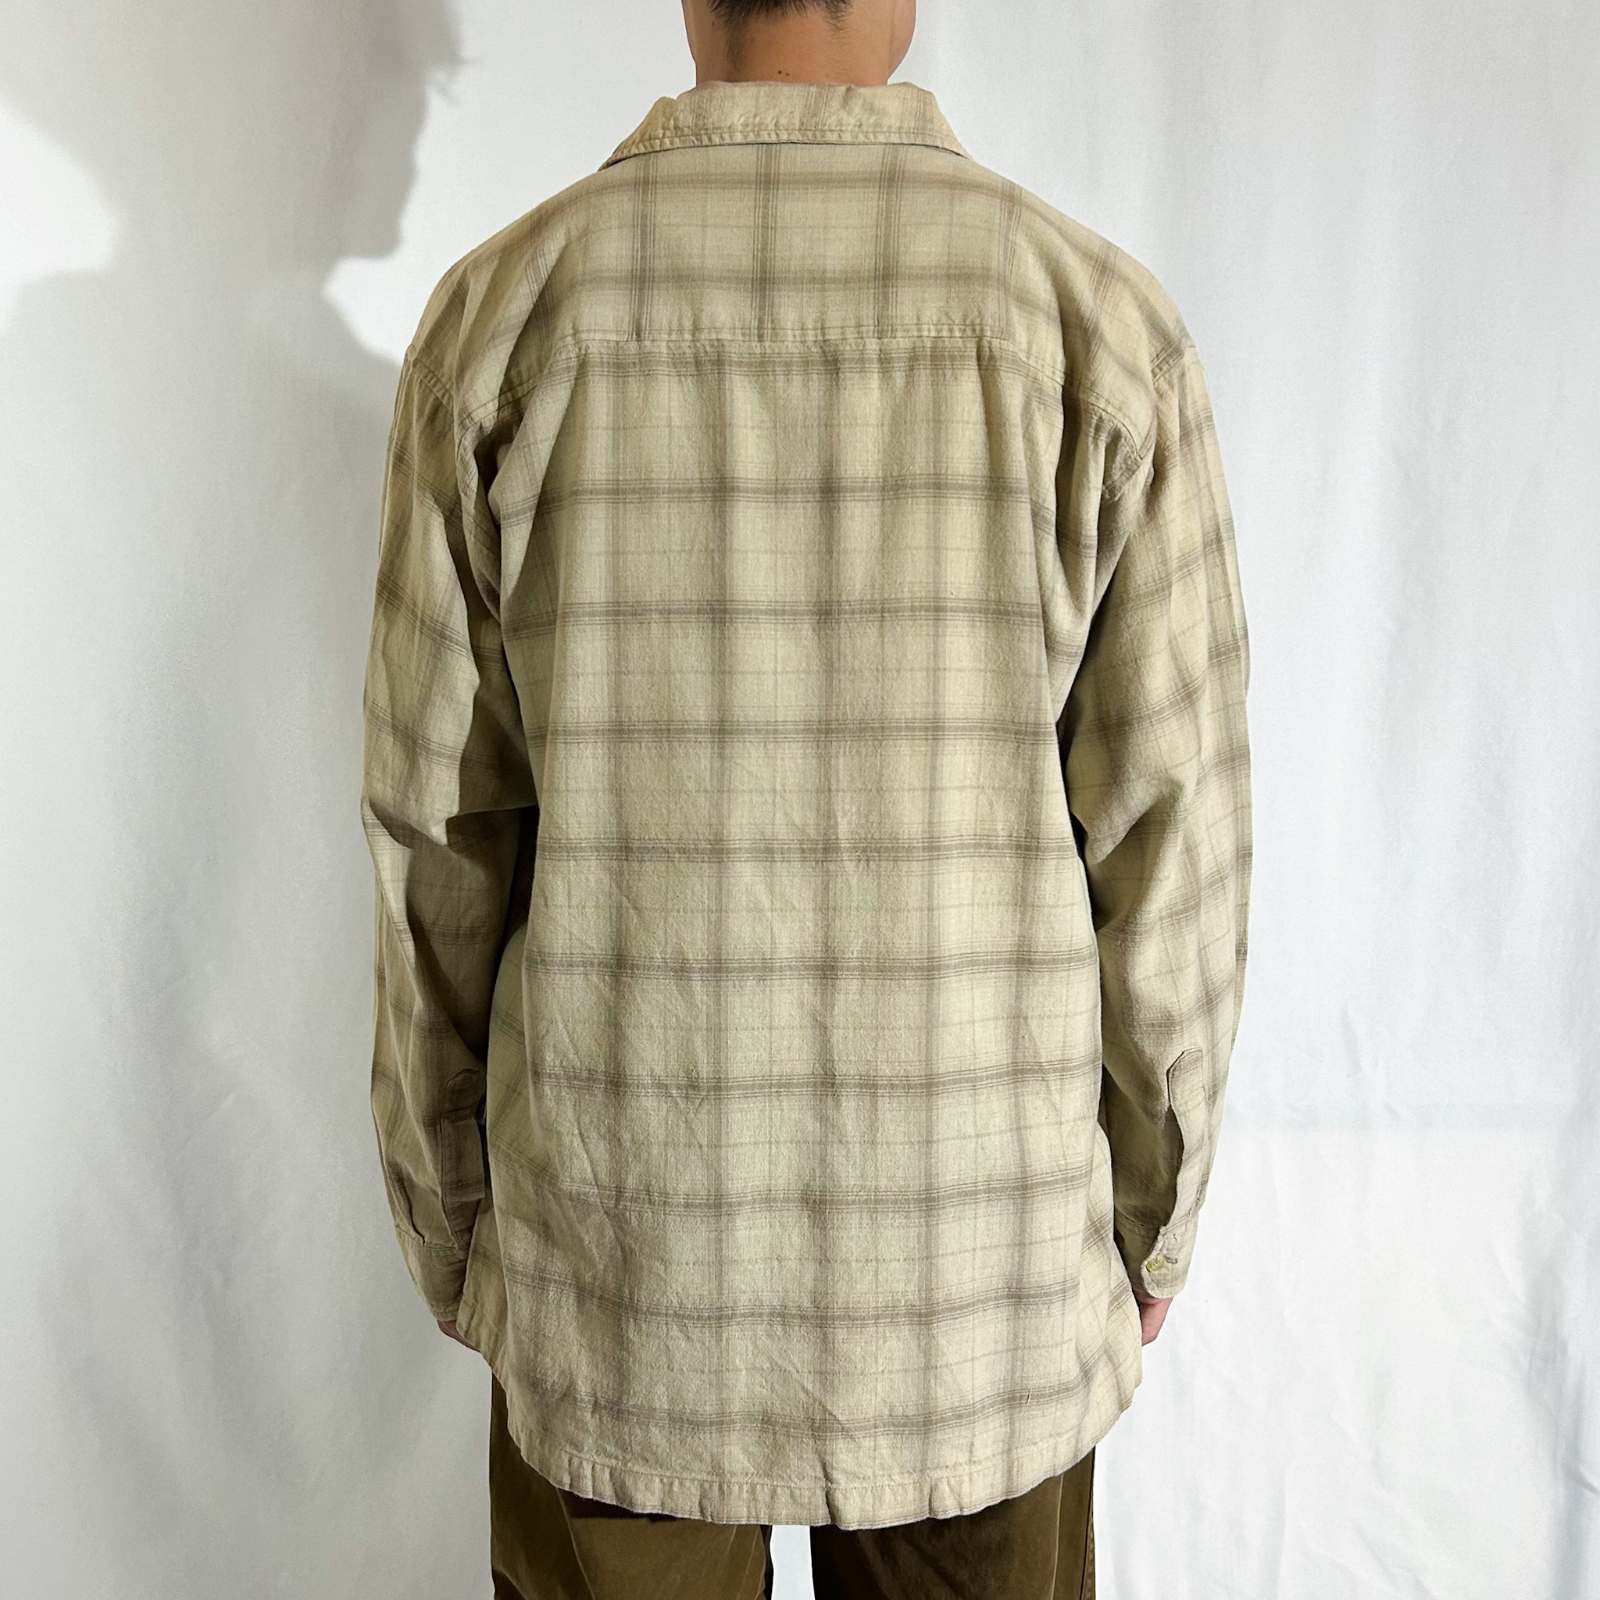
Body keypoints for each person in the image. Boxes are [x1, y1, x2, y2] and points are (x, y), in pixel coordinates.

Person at [358, 0, 1253, 1594]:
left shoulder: (502, 324)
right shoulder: (1099, 332)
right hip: (981, 1285)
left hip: (618, 1270)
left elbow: (438, 834)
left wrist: (452, 1214)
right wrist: (1152, 1214)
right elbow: (1175, 851)